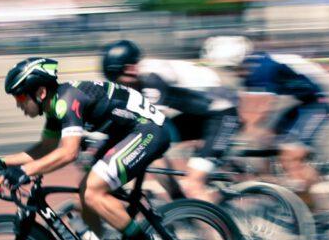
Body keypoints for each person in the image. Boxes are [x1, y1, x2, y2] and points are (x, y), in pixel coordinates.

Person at [0, 57, 171, 240]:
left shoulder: (67, 101)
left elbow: (68, 153)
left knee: (92, 192)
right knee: (81, 200)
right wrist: (1, 162)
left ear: (39, 92)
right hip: (123, 133)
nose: (18, 104)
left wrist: (23, 172)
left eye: (20, 97)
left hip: (147, 130)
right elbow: (45, 149)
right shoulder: (54, 107)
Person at [204, 36, 329, 208]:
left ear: (240, 60)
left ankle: (319, 209)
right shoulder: (251, 67)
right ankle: (277, 190)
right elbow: (248, 110)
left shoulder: (262, 69)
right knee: (266, 144)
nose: (232, 72)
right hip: (305, 101)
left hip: (322, 102)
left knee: (290, 157)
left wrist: (231, 136)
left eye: (231, 68)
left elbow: (257, 111)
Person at [102, 39, 239, 203]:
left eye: (119, 79)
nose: (119, 86)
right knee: (154, 154)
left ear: (130, 69)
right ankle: (182, 203)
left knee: (192, 186)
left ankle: (217, 222)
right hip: (201, 115)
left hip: (222, 115)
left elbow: (149, 126)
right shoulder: (138, 75)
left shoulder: (151, 78)